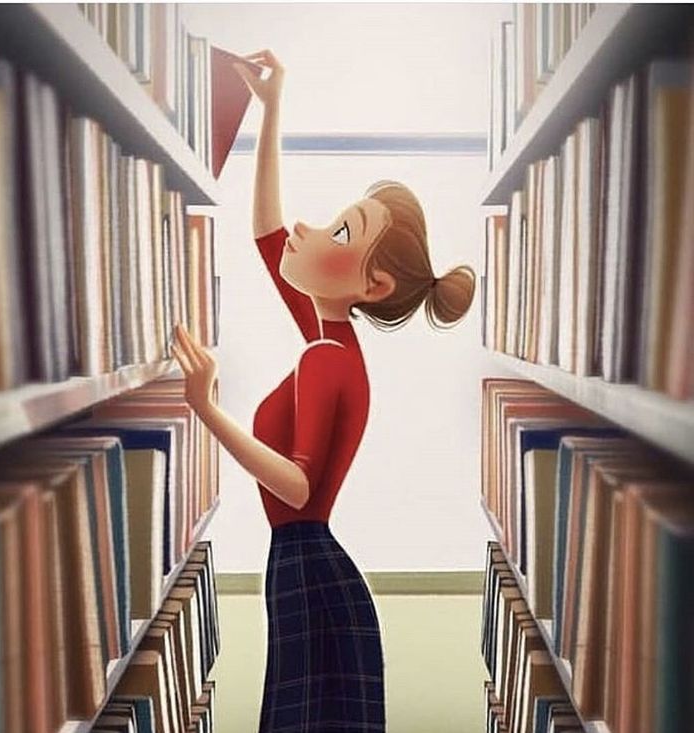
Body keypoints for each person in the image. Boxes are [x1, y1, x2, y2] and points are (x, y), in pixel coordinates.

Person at [172, 48, 475, 733]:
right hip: (308, 568)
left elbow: (300, 487)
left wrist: (206, 407)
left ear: (373, 287)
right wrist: (272, 109)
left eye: (342, 230)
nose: (312, 228)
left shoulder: (326, 361)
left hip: (308, 569)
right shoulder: (329, 334)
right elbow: (269, 234)